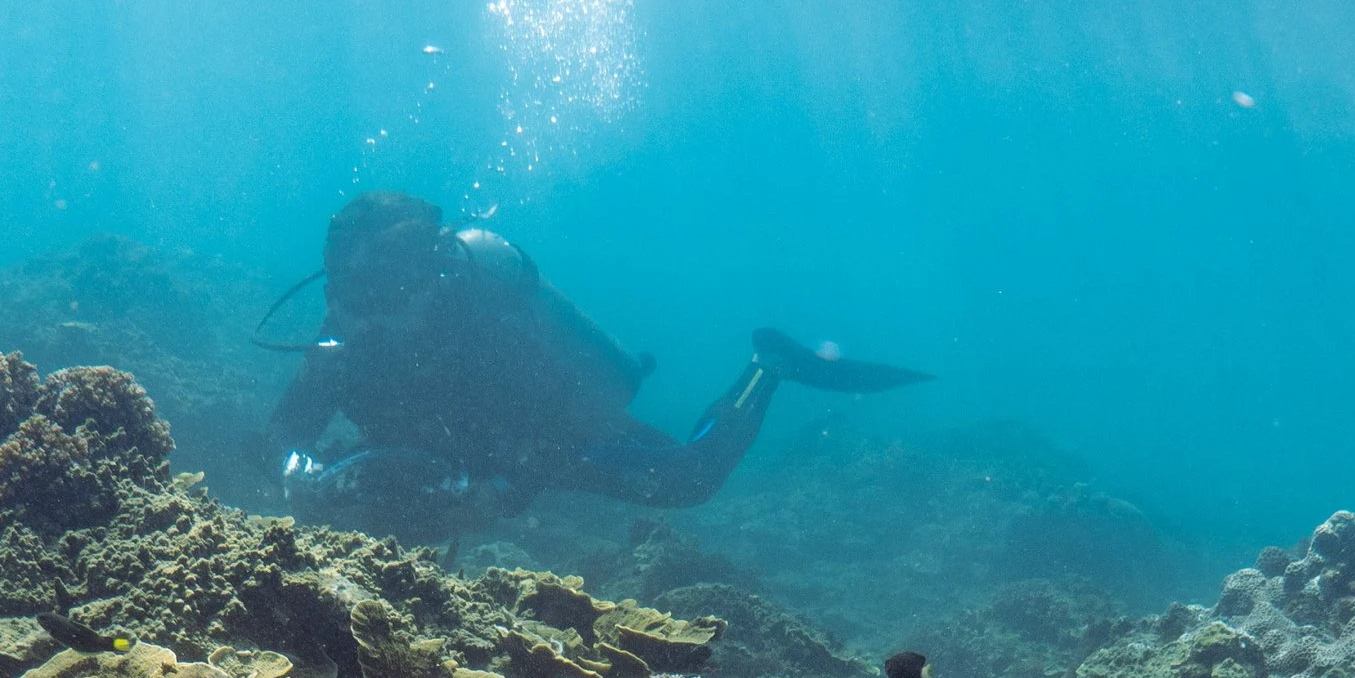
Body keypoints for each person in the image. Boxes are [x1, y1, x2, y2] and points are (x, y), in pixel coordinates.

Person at [265, 191, 927, 538]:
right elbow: (282, 434)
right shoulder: (349, 330)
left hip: (545, 431)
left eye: (383, 297)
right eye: (346, 296)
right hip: (455, 451)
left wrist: (497, 493)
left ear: (427, 284)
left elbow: (540, 439)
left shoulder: (491, 327)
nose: (363, 319)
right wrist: (298, 473)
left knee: (686, 480)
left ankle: (770, 364)